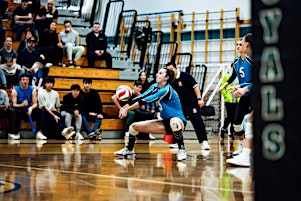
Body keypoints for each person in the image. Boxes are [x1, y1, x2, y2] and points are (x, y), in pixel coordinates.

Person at [114, 68, 188, 161]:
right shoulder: (154, 86)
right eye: (157, 72)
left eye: (160, 73)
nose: (157, 74)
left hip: (179, 122)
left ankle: (181, 150)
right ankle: (129, 149)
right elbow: (142, 96)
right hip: (164, 123)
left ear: (166, 77)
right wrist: (124, 108)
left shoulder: (166, 90)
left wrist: (127, 109)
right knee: (133, 127)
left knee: (174, 122)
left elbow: (146, 100)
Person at [218, 33, 253, 157]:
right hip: (244, 93)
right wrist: (237, 86)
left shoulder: (251, 60)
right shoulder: (236, 61)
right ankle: (243, 148)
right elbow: (236, 77)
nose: (239, 46)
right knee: (236, 123)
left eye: (241, 43)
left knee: (250, 121)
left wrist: (243, 88)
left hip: (253, 94)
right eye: (237, 44)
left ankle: (249, 151)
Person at [166, 61, 210, 150]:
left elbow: (195, 87)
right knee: (177, 122)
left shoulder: (186, 76)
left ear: (176, 68)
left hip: (191, 103)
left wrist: (199, 99)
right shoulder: (169, 80)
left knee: (197, 120)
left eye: (171, 69)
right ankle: (176, 142)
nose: (170, 71)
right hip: (179, 106)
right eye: (168, 70)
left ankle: (204, 142)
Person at [10, 73, 47, 140]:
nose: (25, 81)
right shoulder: (15, 90)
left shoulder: (32, 90)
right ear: (20, 81)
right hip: (19, 108)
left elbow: (35, 104)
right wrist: (22, 105)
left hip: (29, 109)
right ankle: (16, 132)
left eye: (27, 80)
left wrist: (31, 108)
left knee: (40, 111)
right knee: (17, 112)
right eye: (23, 80)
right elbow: (14, 104)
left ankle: (39, 132)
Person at [219, 66, 239, 139]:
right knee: (230, 116)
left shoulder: (240, 77)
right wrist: (226, 95)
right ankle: (224, 128)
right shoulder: (227, 76)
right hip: (229, 100)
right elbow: (222, 87)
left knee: (235, 116)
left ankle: (231, 132)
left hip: (237, 99)